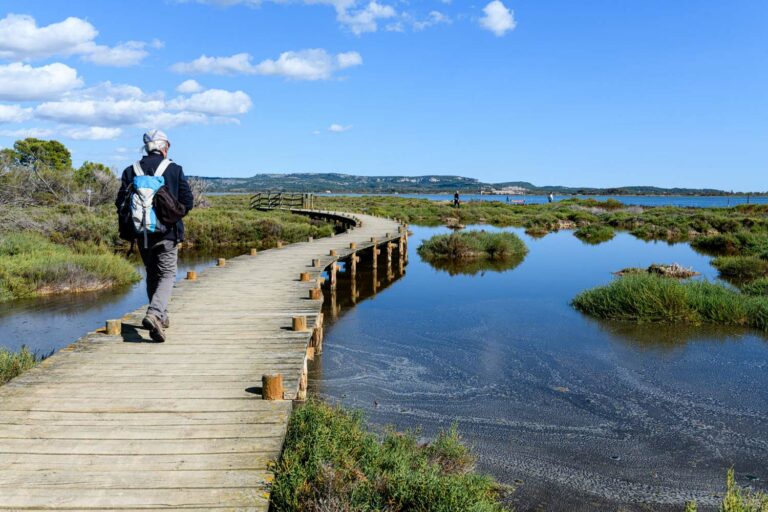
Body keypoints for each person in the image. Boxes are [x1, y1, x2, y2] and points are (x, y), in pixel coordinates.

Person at [115, 130, 194, 342]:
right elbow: (188, 202)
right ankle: (156, 313)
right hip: (168, 233)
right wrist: (173, 214)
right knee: (167, 275)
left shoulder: (130, 171)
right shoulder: (174, 169)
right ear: (164, 147)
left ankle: (161, 316)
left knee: (152, 274)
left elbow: (120, 204)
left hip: (141, 235)